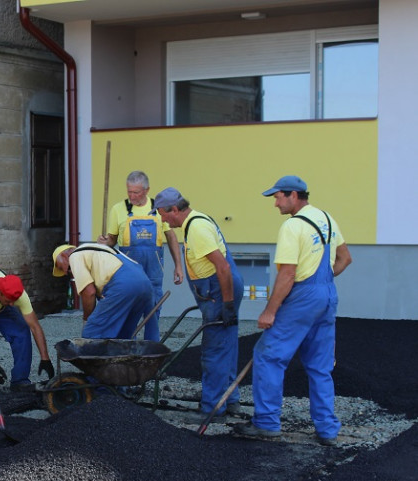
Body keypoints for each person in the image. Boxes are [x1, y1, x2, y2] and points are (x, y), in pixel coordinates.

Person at [234, 175, 352, 446]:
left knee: (267, 355)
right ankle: (327, 430)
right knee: (320, 366)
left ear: (293, 195)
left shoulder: (293, 226)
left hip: (303, 296)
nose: (275, 203)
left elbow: (287, 274)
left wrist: (270, 311)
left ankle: (266, 423)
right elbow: (345, 258)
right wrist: (322, 283)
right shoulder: (327, 219)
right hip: (327, 294)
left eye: (277, 197)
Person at [153, 187, 244, 422]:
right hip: (219, 290)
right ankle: (230, 399)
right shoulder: (196, 221)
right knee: (227, 345)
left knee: (214, 349)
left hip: (218, 291)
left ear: (174, 209)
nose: (162, 218)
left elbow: (222, 267)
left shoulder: (197, 229)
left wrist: (227, 304)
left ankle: (213, 409)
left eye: (163, 213)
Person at [98, 170, 184, 341]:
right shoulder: (118, 209)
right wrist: (103, 243)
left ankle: (151, 354)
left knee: (152, 313)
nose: (132, 196)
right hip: (126, 275)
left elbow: (171, 236)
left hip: (153, 274)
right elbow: (112, 240)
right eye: (129, 191)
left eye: (136, 192)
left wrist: (178, 266)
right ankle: (124, 352)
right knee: (127, 313)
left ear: (147, 190)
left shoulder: (158, 209)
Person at [0, 270, 54, 397]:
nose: (12, 304)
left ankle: (20, 381)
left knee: (21, 330)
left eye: (14, 300)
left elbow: (35, 326)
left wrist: (45, 358)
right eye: (9, 301)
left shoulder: (18, 294)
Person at [52, 242, 153, 339]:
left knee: (92, 332)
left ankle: (92, 354)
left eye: (61, 267)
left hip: (123, 284)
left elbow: (89, 292)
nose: (65, 272)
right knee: (124, 336)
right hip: (144, 282)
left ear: (64, 256)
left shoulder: (75, 255)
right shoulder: (97, 249)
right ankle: (127, 356)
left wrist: (87, 320)